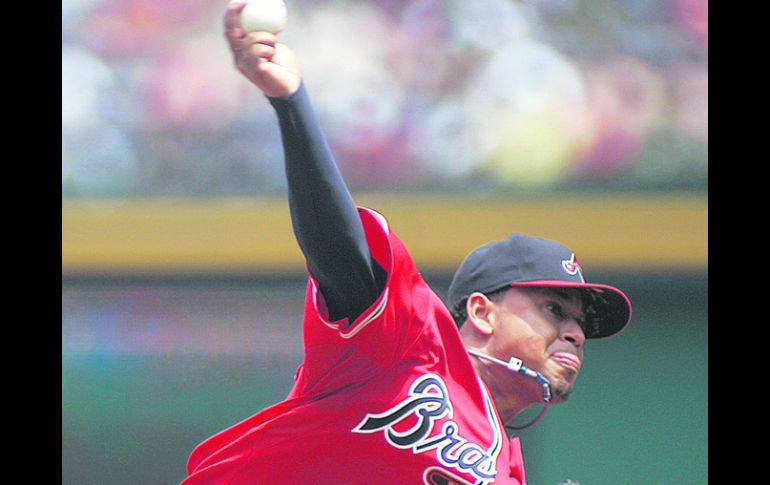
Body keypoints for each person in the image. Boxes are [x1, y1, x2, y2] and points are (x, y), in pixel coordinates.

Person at [181, 3, 633, 484]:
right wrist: (292, 104)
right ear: (482, 312)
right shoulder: (410, 344)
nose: (576, 334)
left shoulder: (506, 472)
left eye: (579, 323)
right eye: (553, 309)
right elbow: (339, 252)